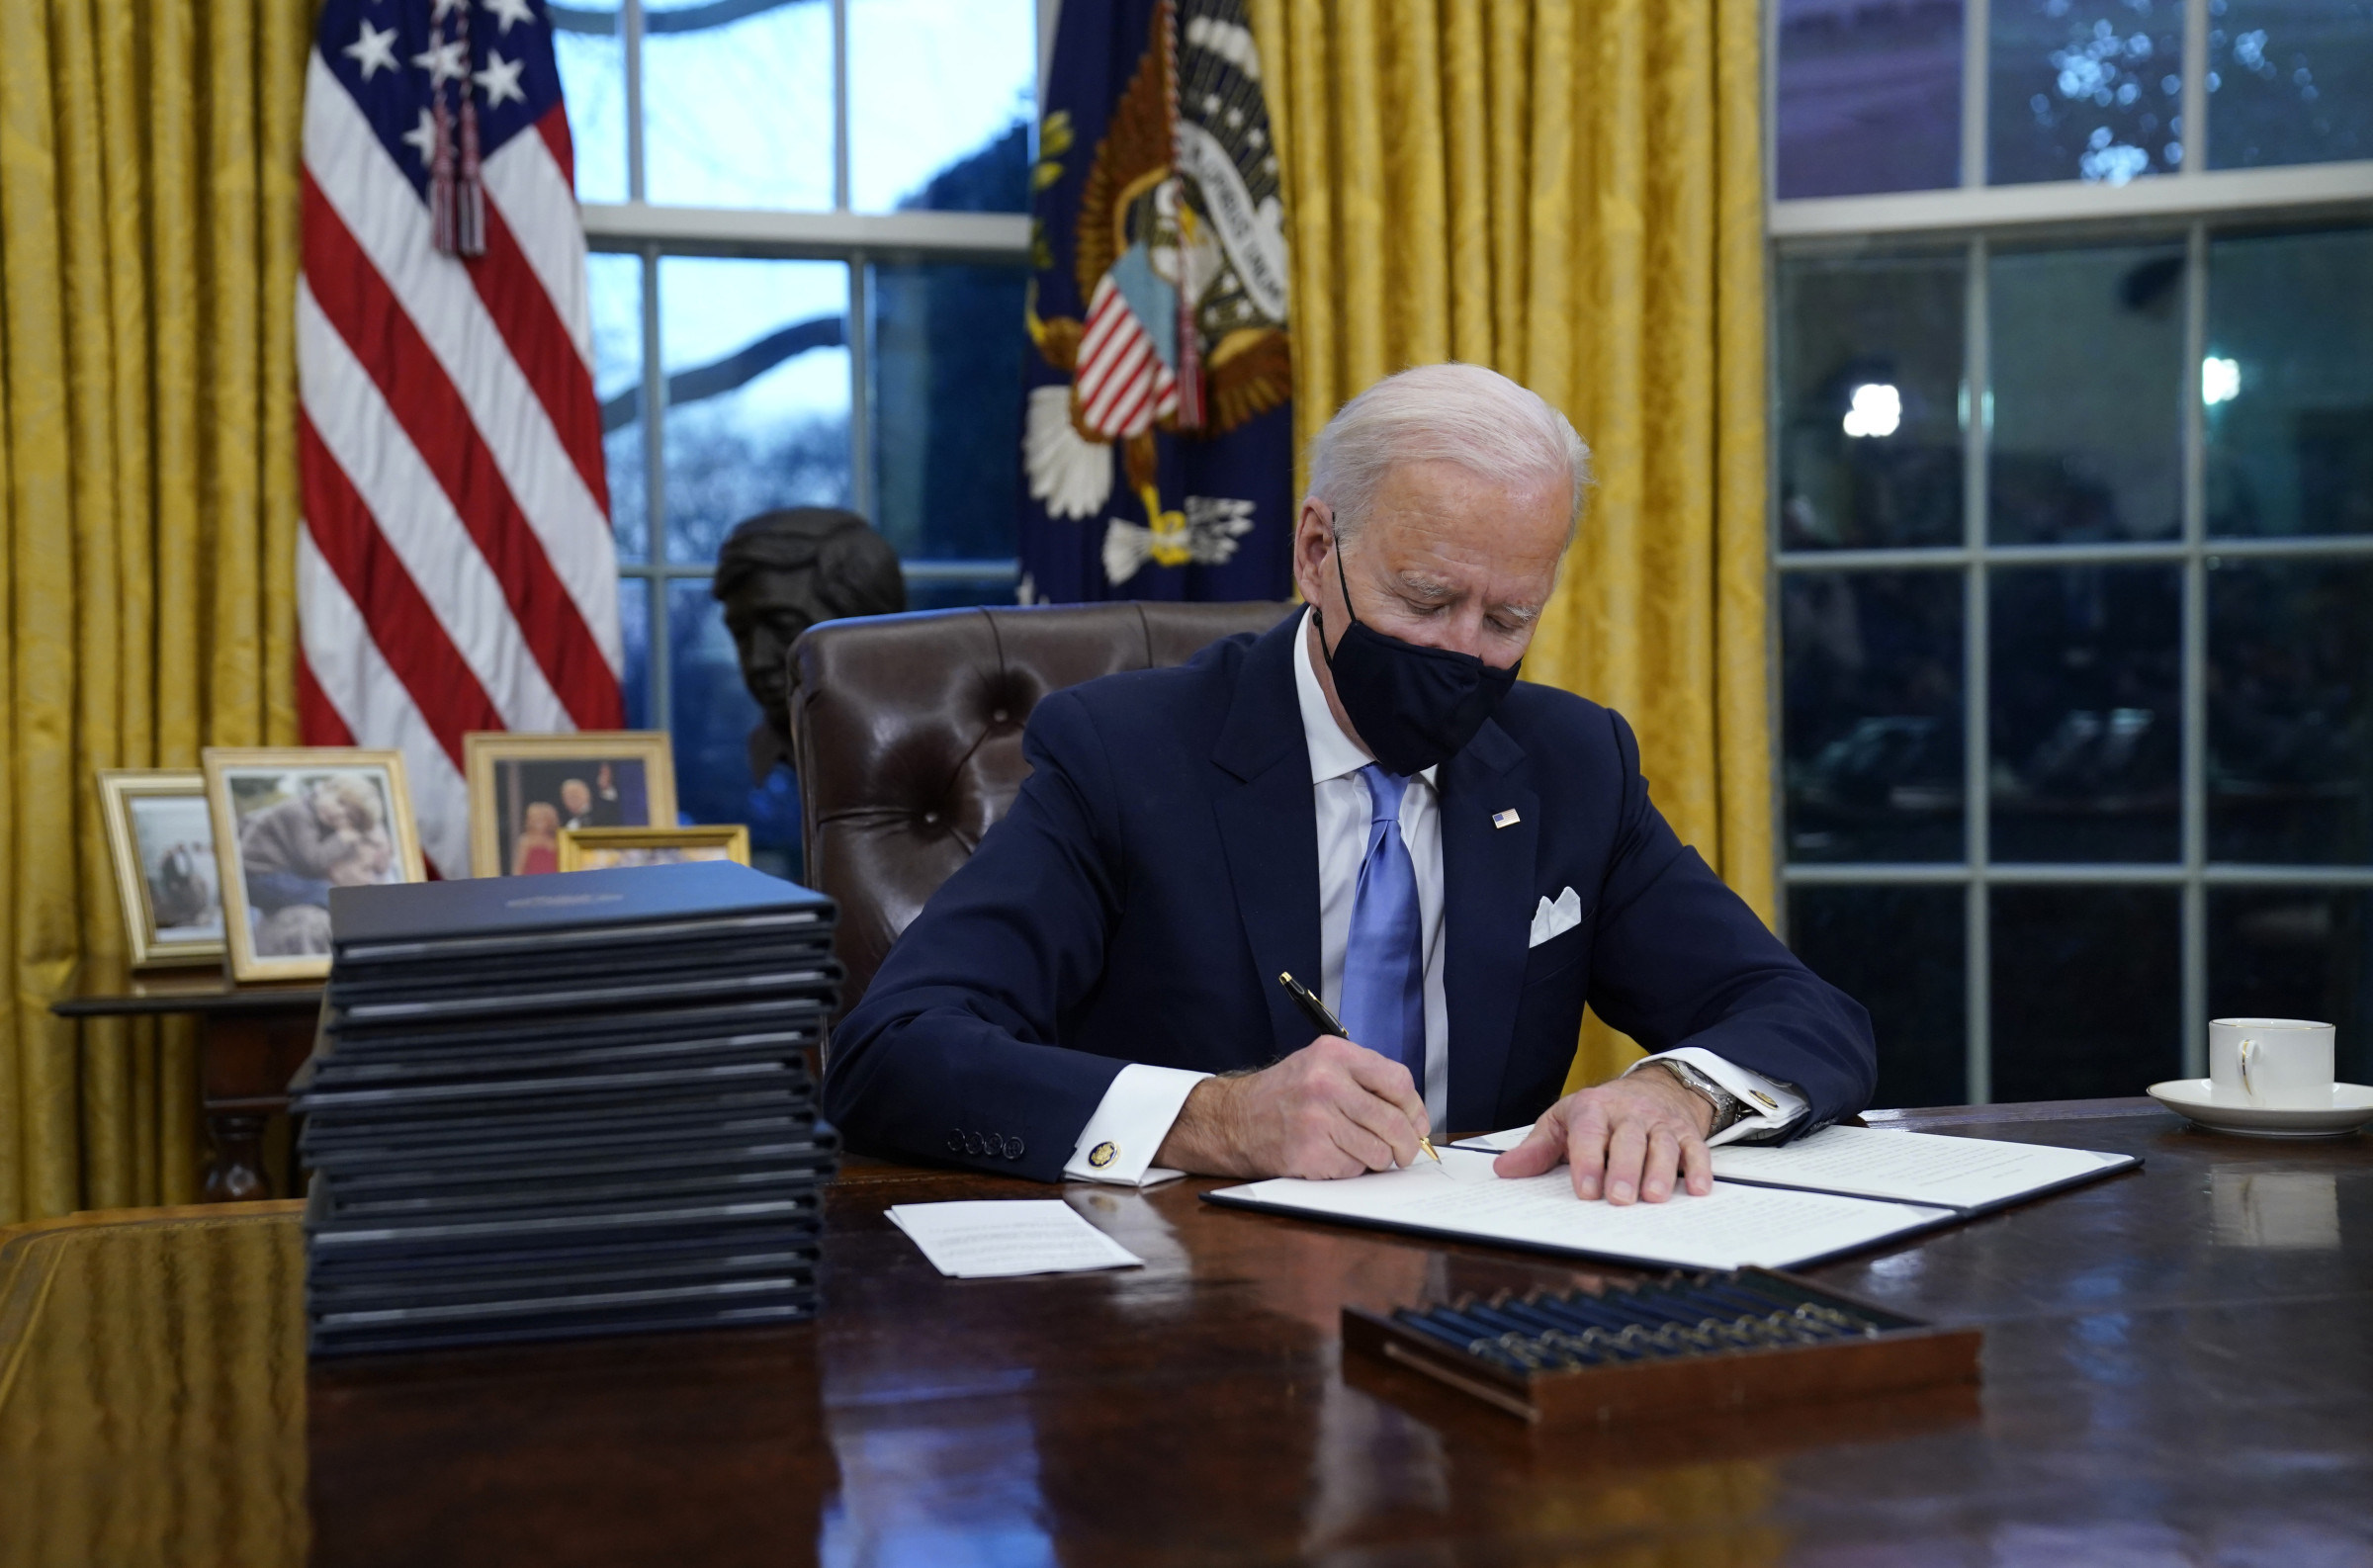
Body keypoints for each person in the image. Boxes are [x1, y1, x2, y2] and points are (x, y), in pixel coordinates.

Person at [825, 364, 1875, 1206]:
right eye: (1425, 599)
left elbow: (1802, 1013)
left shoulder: (1571, 764)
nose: (1462, 650)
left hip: (1482, 1292)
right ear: (1317, 549)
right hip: (1193, 1302)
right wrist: (1214, 1119)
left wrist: (1678, 1089)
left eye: (1508, 618)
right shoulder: (1125, 754)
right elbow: (892, 1052)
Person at [512, 801, 562, 875]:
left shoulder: (557, 840)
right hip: (533, 880)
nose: (538, 822)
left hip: (555, 879)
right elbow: (519, 868)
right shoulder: (525, 840)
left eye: (542, 819)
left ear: (550, 820)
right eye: (535, 818)